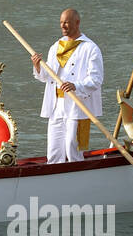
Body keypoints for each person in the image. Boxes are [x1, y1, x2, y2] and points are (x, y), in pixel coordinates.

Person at [31, 9, 103, 164]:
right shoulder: (55, 47)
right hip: (56, 105)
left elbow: (96, 80)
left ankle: (77, 173)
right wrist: (38, 66)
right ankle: (54, 172)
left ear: (77, 23)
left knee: (72, 146)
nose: (63, 26)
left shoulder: (90, 48)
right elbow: (46, 77)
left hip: (78, 105)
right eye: (61, 23)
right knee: (54, 148)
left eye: (67, 22)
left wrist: (75, 86)